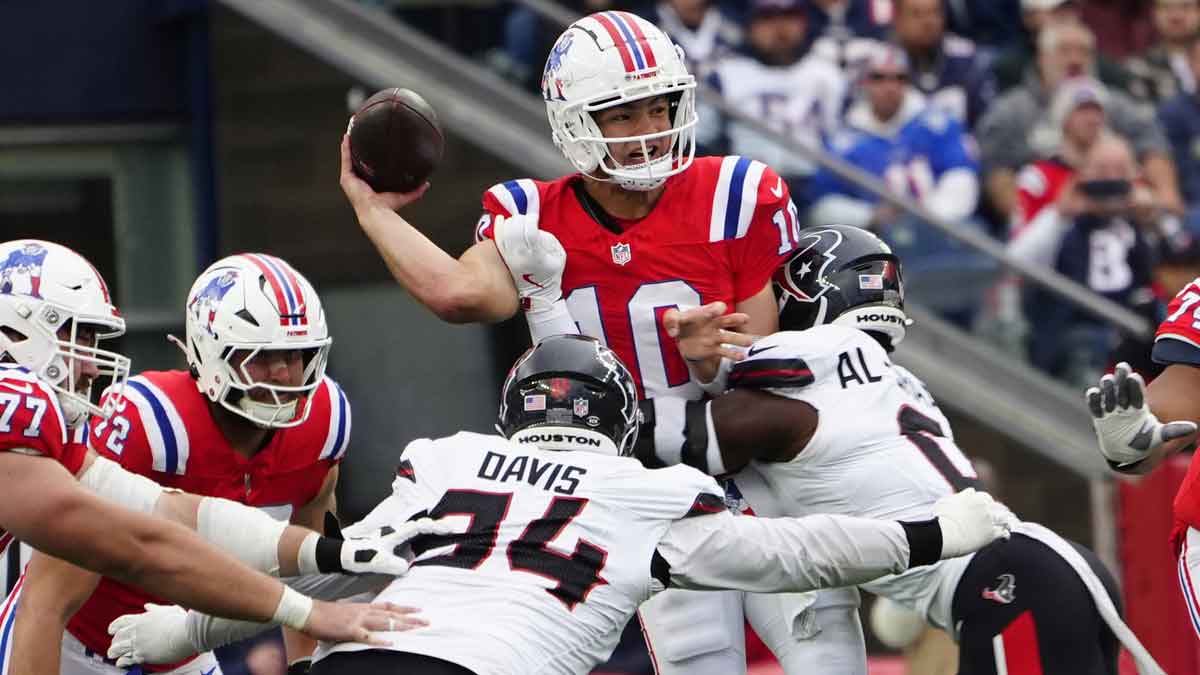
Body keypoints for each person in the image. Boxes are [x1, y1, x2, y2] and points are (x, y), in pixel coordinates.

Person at [339, 11, 810, 673]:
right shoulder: (532, 214)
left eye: (660, 107)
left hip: (753, 474)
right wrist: (372, 211)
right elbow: (457, 294)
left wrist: (711, 363)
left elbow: (777, 377)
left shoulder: (736, 195)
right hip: (635, 499)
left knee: (824, 652)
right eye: (623, 115)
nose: (649, 132)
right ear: (574, 121)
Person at [105, 334, 1015, 675]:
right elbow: (795, 553)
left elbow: (335, 556)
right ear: (617, 419)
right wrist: (931, 530)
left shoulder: (453, 461)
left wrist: (187, 630)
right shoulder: (651, 490)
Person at [621, 225, 1164, 674]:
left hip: (1008, 583)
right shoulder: (894, 382)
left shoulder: (816, 358)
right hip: (1043, 566)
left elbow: (685, 433)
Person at [0, 240, 429, 672]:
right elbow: (90, 574)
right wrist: (307, 608)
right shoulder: (148, 423)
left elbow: (175, 513)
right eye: (79, 335)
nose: (282, 373)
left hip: (173, 647)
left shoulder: (324, 421)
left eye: (293, 354)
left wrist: (327, 559)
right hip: (82, 644)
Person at [977, 19, 1179, 223]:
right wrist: (1024, 218)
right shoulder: (1011, 110)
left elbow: (1152, 146)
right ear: (1041, 58)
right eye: (1064, 51)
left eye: (1084, 52)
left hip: (1117, 213)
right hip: (1044, 216)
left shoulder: (1115, 103)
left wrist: (1166, 198)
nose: (1075, 59)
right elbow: (997, 171)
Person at [698, 0, 846, 197]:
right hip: (743, 191)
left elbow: (843, 142)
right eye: (767, 17)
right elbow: (700, 143)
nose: (780, 27)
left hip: (815, 192)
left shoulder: (828, 75)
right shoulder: (724, 74)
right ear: (749, 24)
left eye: (790, 16)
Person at [890, 0, 996, 127]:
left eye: (934, 13)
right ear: (898, 20)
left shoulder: (966, 57)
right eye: (917, 14)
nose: (927, 22)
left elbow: (985, 121)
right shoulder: (881, 63)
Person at [1126, 0, 1200, 105]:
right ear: (1154, 14)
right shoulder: (1139, 67)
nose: (1176, 16)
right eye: (1167, 8)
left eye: (1186, 7)